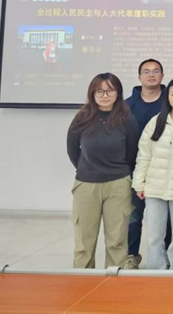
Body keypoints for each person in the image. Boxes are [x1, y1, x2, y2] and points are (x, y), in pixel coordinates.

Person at [67, 73, 138, 268]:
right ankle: (83, 279)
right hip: (86, 184)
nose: (105, 95)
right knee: (84, 242)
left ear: (118, 93)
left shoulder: (127, 118)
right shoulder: (82, 118)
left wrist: (119, 173)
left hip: (118, 184)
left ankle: (114, 281)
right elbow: (72, 149)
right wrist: (87, 168)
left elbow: (132, 152)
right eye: (100, 91)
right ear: (92, 93)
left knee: (117, 241)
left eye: (110, 90)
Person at [132, 78, 173, 270]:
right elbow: (144, 154)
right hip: (154, 187)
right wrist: (139, 183)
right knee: (154, 235)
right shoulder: (156, 121)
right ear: (167, 97)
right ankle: (155, 270)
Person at [124, 59, 166, 269]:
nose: (151, 74)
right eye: (146, 71)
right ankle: (131, 255)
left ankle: (164, 257)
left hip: (164, 169)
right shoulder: (126, 106)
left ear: (162, 76)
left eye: (156, 71)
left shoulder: (171, 102)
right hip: (134, 169)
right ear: (139, 77)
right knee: (133, 216)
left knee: (165, 218)